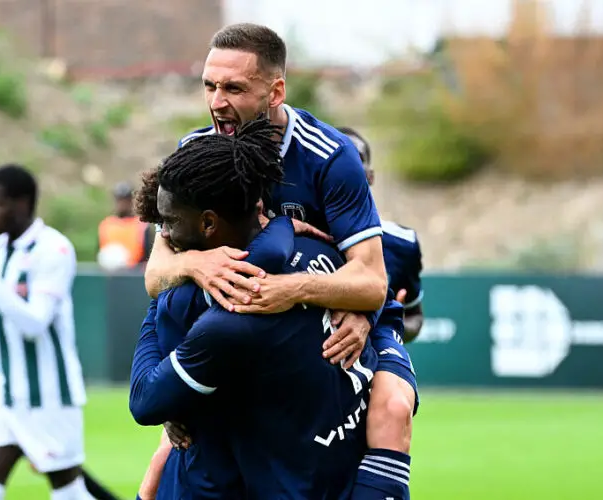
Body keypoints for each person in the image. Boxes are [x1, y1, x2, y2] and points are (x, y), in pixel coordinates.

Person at [142, 23, 416, 499]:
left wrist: (312, 297)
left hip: (346, 319)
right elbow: (156, 272)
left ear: (276, 90)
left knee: (391, 407)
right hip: (254, 334)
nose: (217, 102)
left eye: (234, 88)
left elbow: (372, 281)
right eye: (209, 86)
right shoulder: (198, 153)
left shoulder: (330, 157)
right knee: (163, 465)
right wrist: (195, 266)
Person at [130, 118, 381, 498]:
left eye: (168, 222)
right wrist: (281, 225)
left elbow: (145, 402)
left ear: (209, 223)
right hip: (328, 472)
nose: (162, 235)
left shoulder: (222, 317)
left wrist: (159, 301)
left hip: (218, 483)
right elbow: (379, 296)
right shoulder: (323, 254)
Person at [0, 164, 91, 500]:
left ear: (23, 203)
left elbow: (35, 323)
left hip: (49, 393)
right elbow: (4, 306)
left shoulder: (54, 250)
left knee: (68, 488)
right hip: (4, 392)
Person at [0, 329, 121, 500]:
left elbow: (35, 318)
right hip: (6, 401)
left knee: (66, 479)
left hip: (44, 403)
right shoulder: (2, 373)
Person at [338, 126, 425, 342]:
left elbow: (414, 316)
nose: (346, 174)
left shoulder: (402, 243)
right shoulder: (290, 234)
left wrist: (387, 321)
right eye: (336, 165)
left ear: (370, 177)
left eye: (356, 165)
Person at [97, 181, 154, 271]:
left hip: (135, 275)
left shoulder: (142, 224)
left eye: (126, 200)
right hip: (111, 276)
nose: (122, 204)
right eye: (120, 200)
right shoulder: (106, 224)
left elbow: (148, 254)